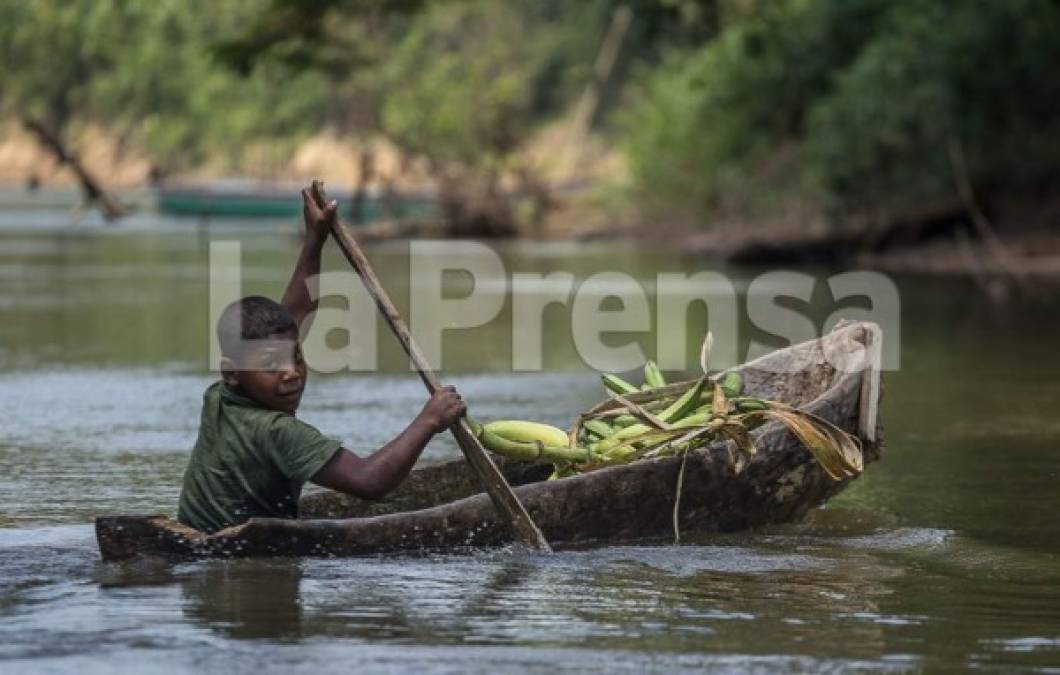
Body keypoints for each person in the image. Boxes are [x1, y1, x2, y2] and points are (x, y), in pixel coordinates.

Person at [177, 187, 465, 534]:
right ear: (233, 373)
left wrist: (315, 239)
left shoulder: (220, 396)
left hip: (198, 539)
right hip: (233, 556)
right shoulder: (278, 432)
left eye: (297, 358)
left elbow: (296, 311)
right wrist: (429, 421)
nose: (291, 373)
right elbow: (370, 482)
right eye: (271, 365)